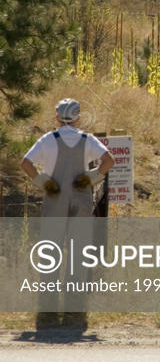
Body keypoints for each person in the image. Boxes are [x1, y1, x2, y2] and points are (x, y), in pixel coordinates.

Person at [21, 98, 114, 332]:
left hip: (55, 200)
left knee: (50, 254)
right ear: (78, 118)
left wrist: (43, 181)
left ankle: (49, 311)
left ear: (57, 118)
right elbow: (109, 161)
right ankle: (74, 311)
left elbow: (26, 163)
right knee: (77, 254)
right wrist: (92, 177)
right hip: (80, 201)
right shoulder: (87, 140)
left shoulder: (48, 140)